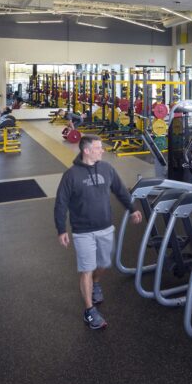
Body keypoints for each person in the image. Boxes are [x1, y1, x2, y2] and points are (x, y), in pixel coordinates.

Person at [54, 135, 143, 330]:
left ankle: (96, 282)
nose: (102, 150)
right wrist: (61, 229)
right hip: (82, 231)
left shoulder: (107, 169)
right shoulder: (71, 175)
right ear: (86, 151)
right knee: (87, 267)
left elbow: (120, 190)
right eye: (98, 148)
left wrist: (132, 208)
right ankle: (89, 310)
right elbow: (61, 203)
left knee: (103, 263)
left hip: (105, 227)